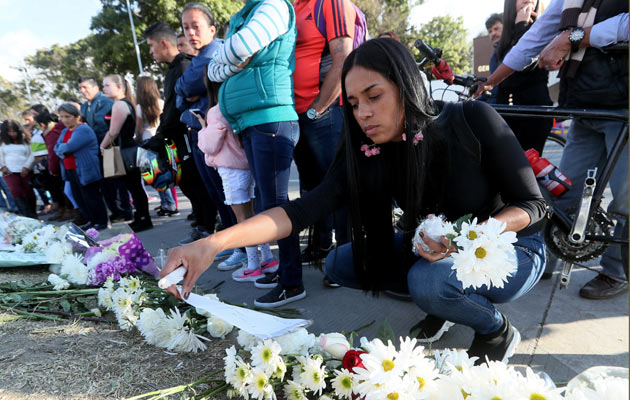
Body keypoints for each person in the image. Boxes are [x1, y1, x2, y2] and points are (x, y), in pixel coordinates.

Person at [164, 39, 548, 363]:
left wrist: (472, 237)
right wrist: (212, 243)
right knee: (342, 262)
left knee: (427, 281)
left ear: (406, 86)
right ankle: (443, 300)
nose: (363, 113)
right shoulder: (369, 150)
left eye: (374, 96)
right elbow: (301, 210)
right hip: (436, 252)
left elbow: (533, 205)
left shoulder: (472, 118)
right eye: (352, 103)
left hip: (509, 248)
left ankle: (494, 329)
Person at [475, 0, 628, 300]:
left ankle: (616, 272)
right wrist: (490, 82)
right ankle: (544, 258)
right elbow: (534, 39)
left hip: (623, 105)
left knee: (625, 203)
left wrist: (572, 38)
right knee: (562, 192)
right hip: (585, 104)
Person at [206, 0, 302, 307]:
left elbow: (240, 47)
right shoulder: (247, 14)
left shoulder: (272, 5)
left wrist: (230, 54)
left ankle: (292, 282)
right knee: (267, 202)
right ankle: (282, 273)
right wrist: (232, 57)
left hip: (269, 118)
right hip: (254, 120)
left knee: (275, 206)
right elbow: (214, 70)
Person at [142, 22, 226, 256]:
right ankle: (203, 225)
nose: (150, 52)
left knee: (198, 182)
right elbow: (175, 103)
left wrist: (162, 134)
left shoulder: (185, 65)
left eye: (151, 46)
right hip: (178, 134)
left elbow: (181, 103)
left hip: (189, 134)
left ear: (163, 43)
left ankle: (209, 228)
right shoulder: (174, 69)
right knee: (190, 182)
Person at [290, 0, 358, 285]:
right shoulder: (290, 7)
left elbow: (344, 59)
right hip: (298, 113)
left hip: (324, 110)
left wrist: (317, 108)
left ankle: (347, 262)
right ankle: (321, 247)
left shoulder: (329, 2)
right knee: (312, 187)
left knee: (339, 186)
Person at [197, 79, 279, 281]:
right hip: (246, 165)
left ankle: (252, 265)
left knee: (242, 219)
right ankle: (267, 258)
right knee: (253, 214)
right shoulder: (238, 105)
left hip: (231, 170)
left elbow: (211, 144)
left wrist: (202, 129)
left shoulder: (216, 111)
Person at [175, 2, 238, 248]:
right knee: (217, 194)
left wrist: (184, 89)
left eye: (196, 27)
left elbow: (187, 87)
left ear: (212, 29)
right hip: (200, 134)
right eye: (185, 27)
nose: (190, 33)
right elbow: (181, 93)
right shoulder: (198, 57)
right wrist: (183, 90)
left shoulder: (213, 53)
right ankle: (233, 245)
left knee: (228, 194)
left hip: (215, 135)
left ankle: (242, 247)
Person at [494, 0, 553, 154]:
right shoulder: (506, 34)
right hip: (508, 113)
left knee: (526, 169)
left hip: (533, 112)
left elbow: (524, 65)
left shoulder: (542, 28)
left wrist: (522, 25)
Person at [100, 74, 153, 232]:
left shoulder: (119, 105)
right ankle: (141, 217)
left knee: (134, 187)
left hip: (124, 151)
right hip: (126, 150)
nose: (104, 89)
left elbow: (113, 131)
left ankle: (143, 218)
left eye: (107, 85)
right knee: (134, 187)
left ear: (119, 87)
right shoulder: (126, 103)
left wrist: (102, 147)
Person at [79, 77, 133, 224]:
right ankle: (115, 211)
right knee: (105, 183)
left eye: (85, 87)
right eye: (80, 88)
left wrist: (103, 144)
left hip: (109, 146)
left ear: (95, 87)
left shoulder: (107, 102)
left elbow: (111, 127)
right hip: (94, 148)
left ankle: (125, 211)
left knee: (116, 181)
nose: (83, 91)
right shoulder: (84, 106)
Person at [54, 103, 108, 230]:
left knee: (92, 197)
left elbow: (68, 147)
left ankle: (101, 221)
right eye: (61, 117)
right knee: (80, 198)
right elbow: (56, 148)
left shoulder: (83, 129)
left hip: (85, 170)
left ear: (77, 116)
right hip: (70, 170)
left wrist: (63, 149)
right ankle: (91, 220)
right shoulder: (65, 131)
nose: (64, 120)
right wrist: (63, 149)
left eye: (67, 116)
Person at [135, 75, 178, 217]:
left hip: (148, 141)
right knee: (166, 171)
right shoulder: (161, 102)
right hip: (161, 139)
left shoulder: (140, 107)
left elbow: (139, 129)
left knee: (154, 175)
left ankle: (168, 204)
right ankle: (170, 203)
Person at [0, 120, 36, 218]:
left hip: (25, 170)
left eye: (14, 131)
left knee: (28, 191)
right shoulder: (2, 142)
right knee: (15, 191)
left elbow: (32, 154)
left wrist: (26, 167)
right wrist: (2, 167)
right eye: (9, 132)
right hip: (10, 172)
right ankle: (25, 215)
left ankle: (33, 214)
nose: (12, 134)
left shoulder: (25, 140)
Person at [484, 13, 503, 104]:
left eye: (496, 29)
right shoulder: (493, 58)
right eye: (490, 31)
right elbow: (495, 90)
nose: (493, 33)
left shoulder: (513, 49)